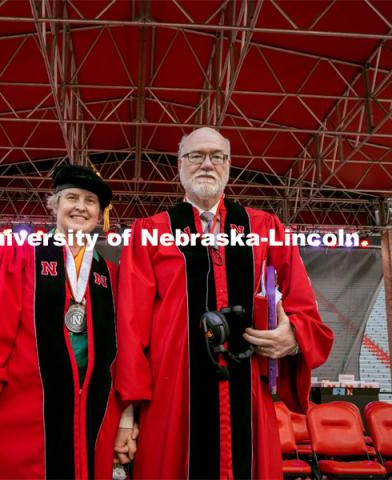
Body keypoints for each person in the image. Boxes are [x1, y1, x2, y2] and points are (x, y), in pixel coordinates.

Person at [114, 127, 334, 479]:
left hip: (245, 394)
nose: (207, 164)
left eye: (217, 156)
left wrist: (293, 337)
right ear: (180, 166)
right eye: (196, 156)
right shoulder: (149, 232)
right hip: (174, 399)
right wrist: (128, 414)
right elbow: (129, 327)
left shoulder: (265, 228)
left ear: (229, 165)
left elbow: (304, 308)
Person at [0, 164, 131, 479]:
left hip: (88, 430)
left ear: (101, 214)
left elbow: (121, 360)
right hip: (17, 425)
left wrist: (126, 420)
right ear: (54, 205)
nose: (81, 207)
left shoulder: (109, 275)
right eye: (72, 198)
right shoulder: (17, 257)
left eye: (91, 201)